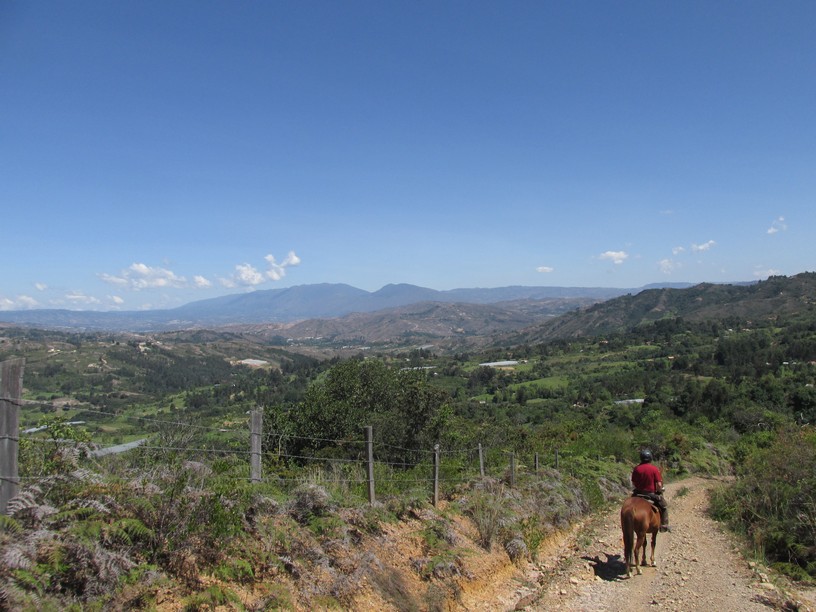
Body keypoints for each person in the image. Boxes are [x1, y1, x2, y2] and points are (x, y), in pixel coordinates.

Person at [631, 449, 671, 532]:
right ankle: (664, 525)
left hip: (637, 494)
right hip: (650, 494)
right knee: (663, 506)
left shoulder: (636, 469)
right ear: (650, 458)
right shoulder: (654, 469)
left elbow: (634, 482)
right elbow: (659, 485)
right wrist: (660, 490)